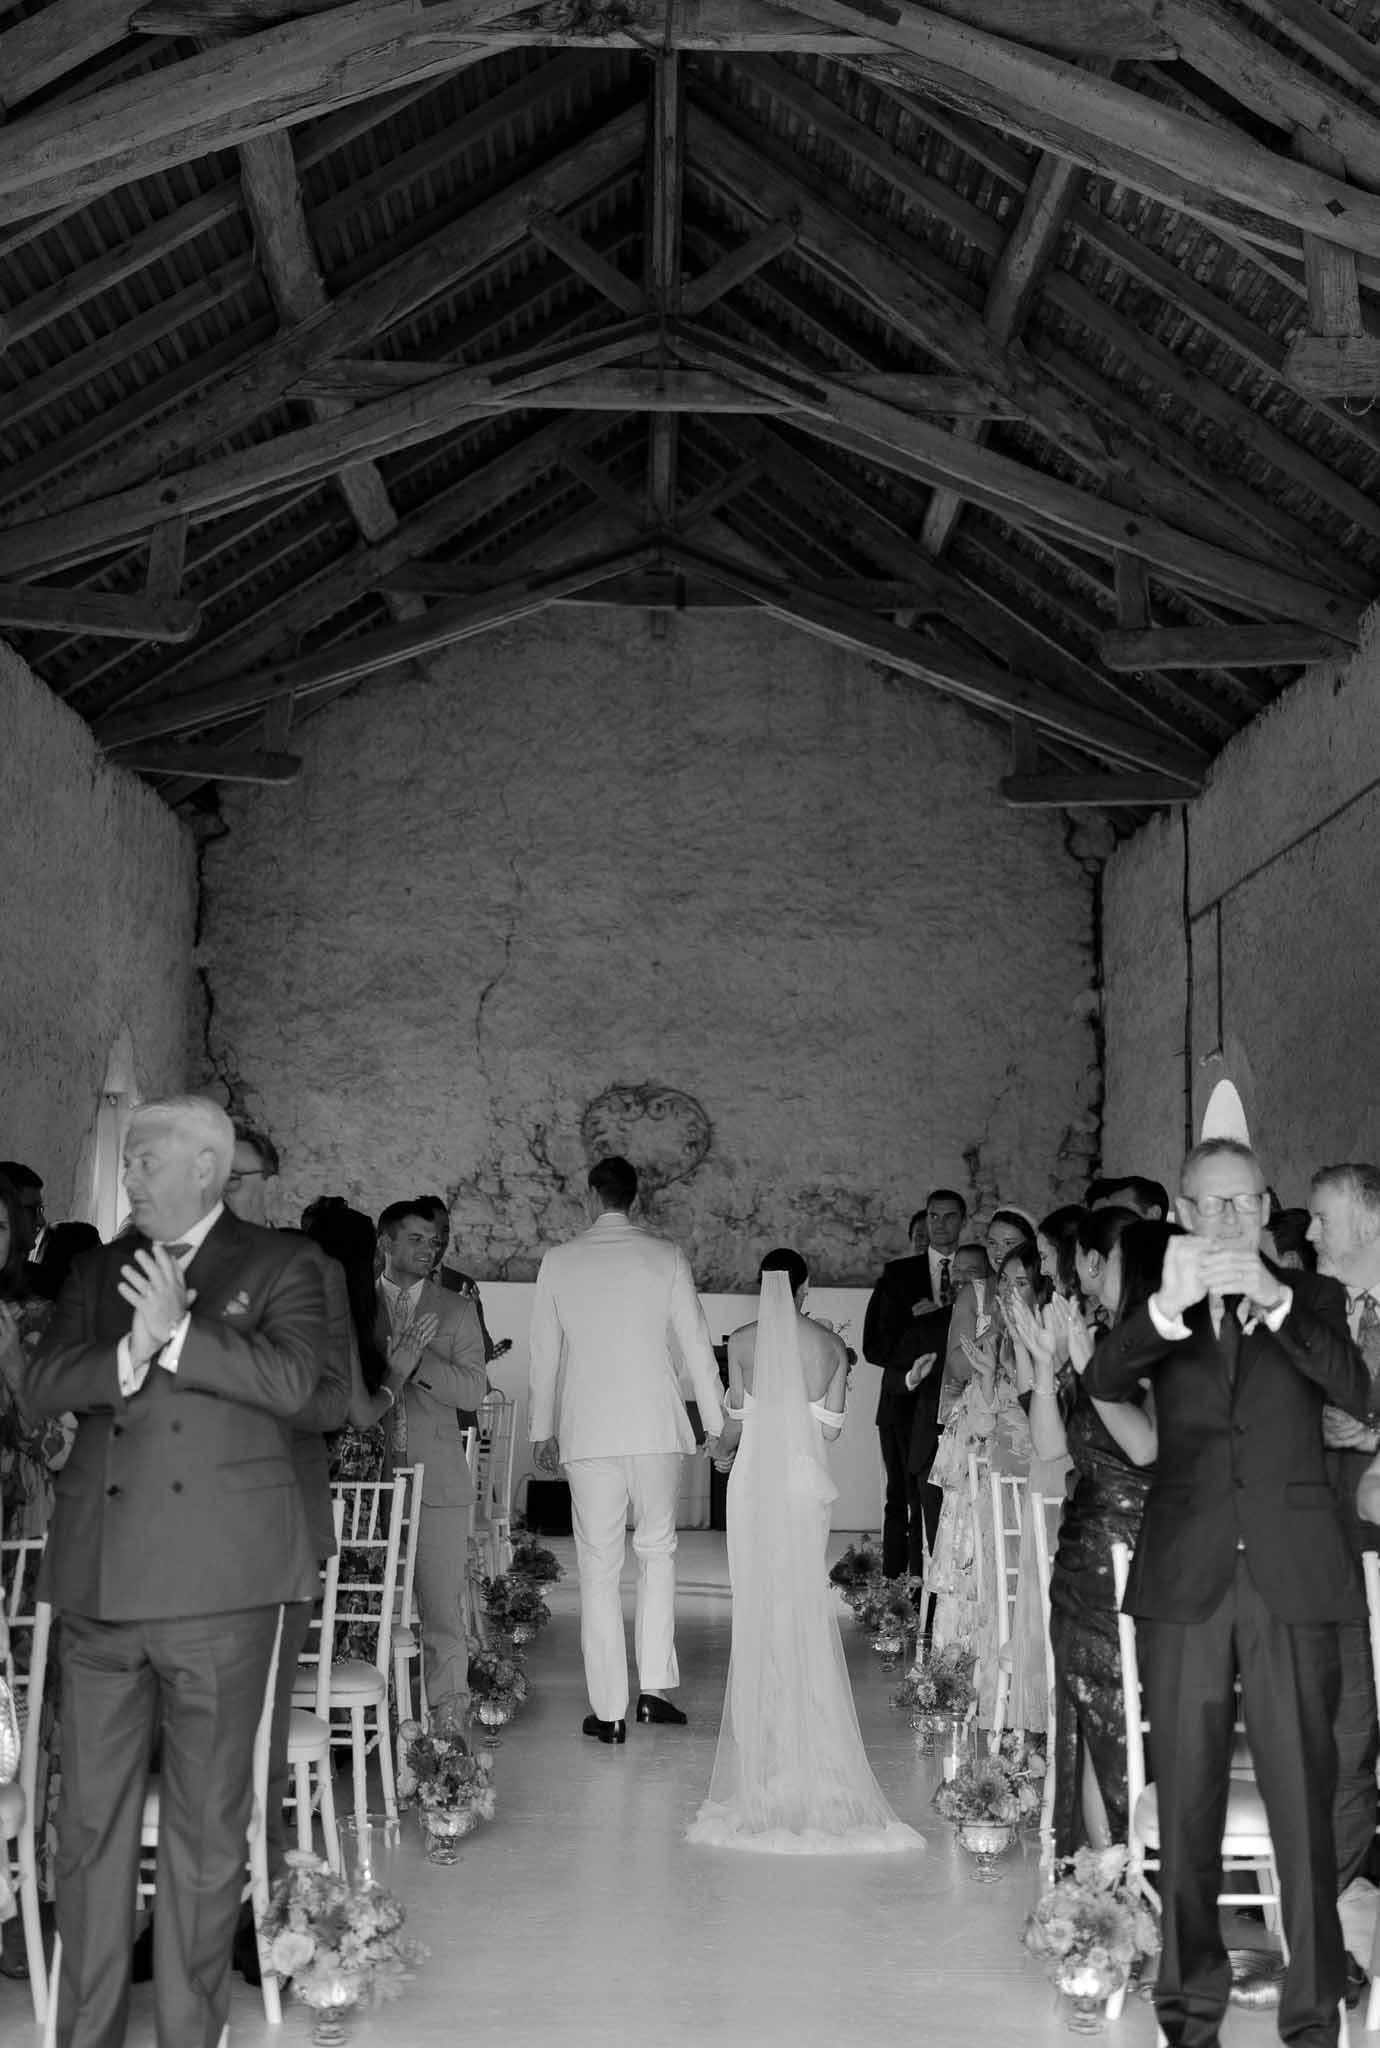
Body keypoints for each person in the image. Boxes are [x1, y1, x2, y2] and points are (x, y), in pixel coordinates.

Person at [22, 1093, 327, 2048]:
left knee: (206, 1834)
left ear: (205, 1166)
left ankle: (190, 2036)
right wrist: (132, 1346)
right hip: (101, 1588)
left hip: (224, 1593)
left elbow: (297, 1387)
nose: (130, 1177)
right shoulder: (95, 1269)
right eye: (127, 1162)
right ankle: (88, 2035)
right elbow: (41, 1387)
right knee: (88, 1831)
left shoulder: (283, 1263)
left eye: (144, 1160)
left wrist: (185, 1334)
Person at [1085, 1136, 1372, 2048]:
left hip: (1294, 1579)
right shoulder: (1161, 1305)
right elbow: (1101, 1381)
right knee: (1189, 1806)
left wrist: (1278, 1304)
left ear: (1264, 1204)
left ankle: (1313, 2015)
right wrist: (1165, 1312)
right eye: (1213, 1205)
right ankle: (1189, 2014)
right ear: (1183, 1214)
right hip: (1188, 1580)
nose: (1232, 1219)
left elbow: (1358, 1391)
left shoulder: (1314, 1298)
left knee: (1305, 1802)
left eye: (1247, 1201)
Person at [687, 1252, 923, 1853]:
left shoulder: (742, 1342)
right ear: (806, 1287)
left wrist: (719, 1451)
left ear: (760, 1286)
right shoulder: (829, 1346)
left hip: (753, 1481)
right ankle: (804, 1729)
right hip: (803, 1482)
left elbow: (737, 1419)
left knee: (755, 1598)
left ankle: (762, 1742)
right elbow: (832, 1429)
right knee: (798, 1597)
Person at [528, 1155, 724, 1743]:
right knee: (658, 1552)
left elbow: (544, 1354)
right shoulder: (665, 1256)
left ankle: (609, 1710)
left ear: (592, 1196)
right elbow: (696, 1345)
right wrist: (717, 1423)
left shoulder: (560, 1260)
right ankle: (654, 1692)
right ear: (634, 1198)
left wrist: (541, 1430)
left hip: (589, 1430)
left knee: (598, 1567)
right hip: (655, 1427)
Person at [223, 1127, 351, 1916]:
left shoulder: (307, 1268)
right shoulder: (138, 1263)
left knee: (257, 1726)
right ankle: (170, 1910)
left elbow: (334, 1399)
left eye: (238, 1176)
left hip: (277, 1524)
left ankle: (256, 1907)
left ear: (268, 1182)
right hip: (169, 1532)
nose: (220, 1188)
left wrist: (233, 1377)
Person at [1013, 1218, 1166, 1856]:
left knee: (1118, 1706)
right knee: (1081, 1703)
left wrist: (1087, 1366)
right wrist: (1045, 1367)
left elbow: (1147, 1447)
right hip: (1082, 1545)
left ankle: (1131, 1861)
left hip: (1139, 1543)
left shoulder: (1165, 1349)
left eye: (1112, 1261)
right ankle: (1097, 1873)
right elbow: (1052, 1448)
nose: (1094, 1273)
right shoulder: (1101, 1341)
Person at [376, 1198, 488, 1731]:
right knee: (369, 1605)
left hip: (437, 1478)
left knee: (442, 1611)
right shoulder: (357, 1304)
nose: (430, 1249)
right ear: (386, 1243)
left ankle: (449, 1730)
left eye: (436, 1241)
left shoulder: (456, 1310)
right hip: (370, 1478)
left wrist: (418, 1361)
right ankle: (372, 1716)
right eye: (417, 1239)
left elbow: (472, 1391)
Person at [1306, 1164, 1380, 1952]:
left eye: (1322, 1219)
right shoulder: (1318, 1313)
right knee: (1344, 1739)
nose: (1310, 1233)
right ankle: (1332, 1926)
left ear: (1369, 1220)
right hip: (1329, 1558)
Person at [862, 1189, 966, 1583]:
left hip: (960, 1404)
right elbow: (874, 1345)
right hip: (903, 1401)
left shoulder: (974, 1269)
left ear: (963, 1221)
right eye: (934, 1216)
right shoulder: (898, 1274)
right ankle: (894, 1588)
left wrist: (945, 1315)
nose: (940, 1225)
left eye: (950, 1216)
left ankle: (939, 1585)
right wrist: (922, 1329)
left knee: (947, 1499)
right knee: (900, 1498)